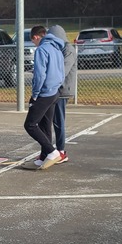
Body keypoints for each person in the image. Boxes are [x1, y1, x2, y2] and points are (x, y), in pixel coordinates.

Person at [22, 25, 65, 170]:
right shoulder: (57, 48)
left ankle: (52, 152)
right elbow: (60, 69)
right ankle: (44, 156)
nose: (34, 44)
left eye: (33, 41)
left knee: (30, 124)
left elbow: (40, 75)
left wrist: (35, 94)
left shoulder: (41, 49)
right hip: (55, 91)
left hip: (45, 92)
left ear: (36, 37)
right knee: (45, 125)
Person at [48, 24, 77, 162]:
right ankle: (50, 150)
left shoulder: (68, 49)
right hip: (55, 89)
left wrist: (51, 76)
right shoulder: (57, 48)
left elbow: (64, 70)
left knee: (58, 121)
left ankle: (61, 151)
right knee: (51, 120)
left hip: (63, 90)